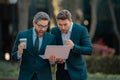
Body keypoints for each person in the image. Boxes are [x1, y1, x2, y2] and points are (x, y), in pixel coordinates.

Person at [12, 11, 56, 80]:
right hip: (26, 77)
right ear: (34, 23)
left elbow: (54, 62)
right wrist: (19, 52)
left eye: (45, 26)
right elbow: (14, 57)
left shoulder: (51, 38)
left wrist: (53, 61)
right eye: (40, 26)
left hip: (44, 77)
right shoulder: (22, 35)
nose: (43, 29)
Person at [51, 9, 93, 80]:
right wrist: (56, 59)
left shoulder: (81, 30)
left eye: (65, 24)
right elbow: (52, 50)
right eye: (60, 25)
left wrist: (74, 47)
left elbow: (89, 50)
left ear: (70, 21)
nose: (62, 27)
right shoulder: (55, 31)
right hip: (61, 74)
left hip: (78, 73)